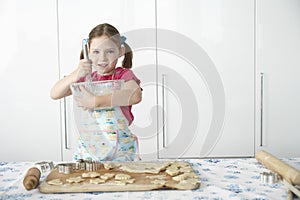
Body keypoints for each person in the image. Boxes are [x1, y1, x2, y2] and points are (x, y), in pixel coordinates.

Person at [51, 23, 142, 161]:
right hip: (89, 153)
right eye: (96, 52)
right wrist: (76, 73)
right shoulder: (86, 78)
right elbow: (55, 93)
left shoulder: (123, 75)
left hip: (120, 153)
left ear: (120, 51)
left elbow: (135, 95)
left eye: (110, 51)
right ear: (88, 51)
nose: (103, 58)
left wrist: (96, 101)